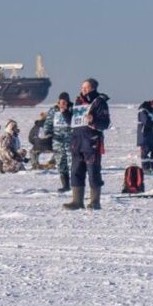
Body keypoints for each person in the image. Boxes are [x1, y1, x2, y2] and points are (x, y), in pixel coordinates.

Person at [66, 78, 111, 211]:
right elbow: (72, 122)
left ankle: (95, 202)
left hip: (92, 143)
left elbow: (105, 124)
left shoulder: (99, 102)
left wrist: (93, 120)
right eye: (82, 87)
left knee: (93, 172)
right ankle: (77, 201)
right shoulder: (78, 102)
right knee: (75, 172)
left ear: (93, 88)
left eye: (86, 88)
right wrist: (64, 112)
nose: (83, 90)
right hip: (77, 143)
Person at [44, 92, 73, 193]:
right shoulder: (53, 110)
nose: (63, 103)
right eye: (61, 101)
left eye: (65, 101)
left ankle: (76, 185)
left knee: (72, 162)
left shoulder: (72, 109)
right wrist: (48, 133)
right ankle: (65, 185)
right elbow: (48, 122)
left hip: (70, 140)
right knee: (61, 162)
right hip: (57, 140)